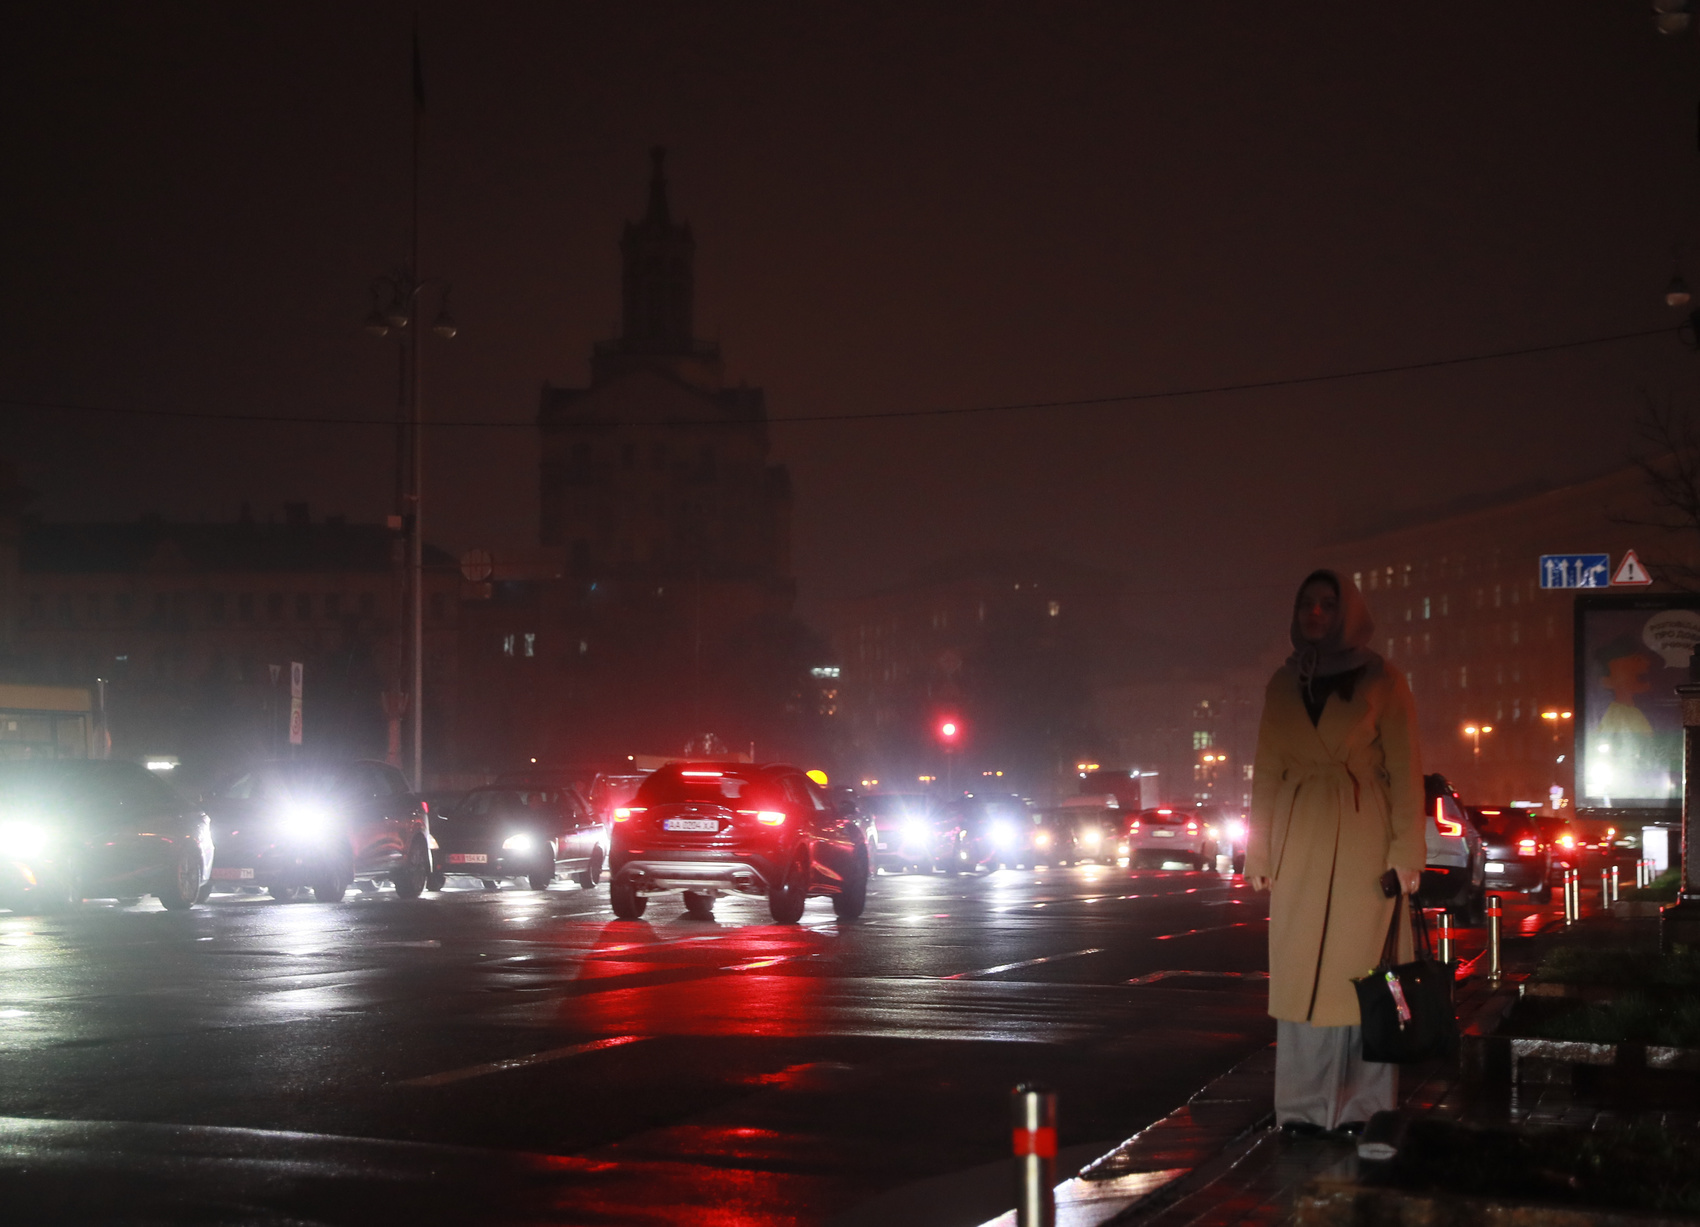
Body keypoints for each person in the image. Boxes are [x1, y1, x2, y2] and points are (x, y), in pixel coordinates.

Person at [1244, 569, 1426, 1136]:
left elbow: (1405, 769)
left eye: (1328, 604)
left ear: (1348, 612)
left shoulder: (1384, 679)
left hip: (1364, 840)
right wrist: (1259, 851)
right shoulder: (1283, 683)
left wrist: (1406, 852)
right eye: (1308, 604)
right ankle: (1301, 1110)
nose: (1316, 613)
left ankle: (1362, 1109)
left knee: (1363, 976)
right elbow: (1267, 771)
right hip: (1300, 838)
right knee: (1299, 975)